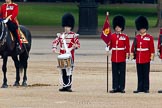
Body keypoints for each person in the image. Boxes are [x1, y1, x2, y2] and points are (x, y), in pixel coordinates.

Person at [52, 13, 80, 92]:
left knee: (69, 71)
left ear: (70, 27)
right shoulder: (61, 35)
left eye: (67, 27)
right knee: (63, 71)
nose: (66, 28)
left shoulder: (74, 35)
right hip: (62, 55)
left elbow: (78, 45)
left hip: (69, 55)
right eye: (65, 27)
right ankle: (64, 85)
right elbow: (55, 42)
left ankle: (69, 86)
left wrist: (75, 46)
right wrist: (54, 48)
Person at [105, 15, 130, 93]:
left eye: (119, 27)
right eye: (116, 27)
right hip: (114, 57)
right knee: (115, 73)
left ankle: (121, 87)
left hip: (122, 57)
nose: (117, 28)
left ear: (121, 28)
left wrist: (127, 56)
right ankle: (115, 87)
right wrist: (107, 48)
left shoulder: (125, 37)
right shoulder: (111, 36)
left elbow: (127, 47)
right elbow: (110, 45)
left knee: (122, 73)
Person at [131, 15, 155, 93]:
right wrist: (132, 54)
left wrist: (151, 56)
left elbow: (151, 48)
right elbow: (133, 47)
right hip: (139, 58)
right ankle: (139, 87)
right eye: (141, 28)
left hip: (146, 58)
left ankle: (146, 88)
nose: (142, 30)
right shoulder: (137, 37)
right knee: (139, 74)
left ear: (145, 28)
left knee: (145, 74)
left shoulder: (149, 37)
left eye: (143, 28)